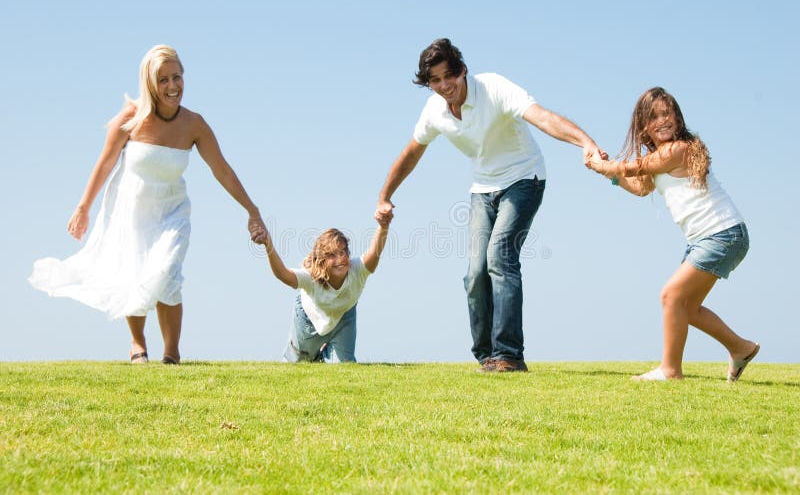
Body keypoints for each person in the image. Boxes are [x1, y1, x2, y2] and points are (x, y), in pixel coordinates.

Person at [374, 38, 605, 372]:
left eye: (447, 76)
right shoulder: (435, 110)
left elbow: (542, 117)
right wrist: (385, 196)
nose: (443, 86)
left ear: (462, 70)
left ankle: (509, 355)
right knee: (475, 273)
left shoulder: (494, 88)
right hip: (482, 189)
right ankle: (487, 356)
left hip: (525, 178)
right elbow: (411, 153)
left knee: (501, 257)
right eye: (434, 81)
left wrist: (586, 143)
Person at [29, 45, 267, 365]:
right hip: (132, 210)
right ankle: (137, 344)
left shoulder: (194, 125)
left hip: (173, 211)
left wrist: (252, 210)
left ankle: (171, 353)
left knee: (168, 273)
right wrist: (83, 207)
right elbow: (104, 164)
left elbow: (222, 170)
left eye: (177, 77)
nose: (173, 86)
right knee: (136, 274)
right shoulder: (131, 117)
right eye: (164, 79)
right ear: (150, 83)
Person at [585, 86, 759, 381]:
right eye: (655, 117)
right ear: (643, 125)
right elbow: (640, 186)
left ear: (678, 118)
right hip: (711, 238)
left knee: (670, 296)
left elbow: (634, 167)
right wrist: (607, 173)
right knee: (686, 308)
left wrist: (606, 166)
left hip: (722, 233)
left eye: (668, 114)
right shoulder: (659, 160)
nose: (663, 120)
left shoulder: (678, 149)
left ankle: (670, 370)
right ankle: (741, 348)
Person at [262, 217, 391, 363]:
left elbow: (374, 252)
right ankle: (316, 356)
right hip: (310, 318)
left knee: (344, 368)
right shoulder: (311, 278)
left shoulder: (357, 270)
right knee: (301, 362)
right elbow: (283, 274)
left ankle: (327, 355)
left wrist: (383, 227)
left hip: (344, 316)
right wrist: (268, 245)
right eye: (332, 255)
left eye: (343, 252)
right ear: (322, 260)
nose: (340, 258)